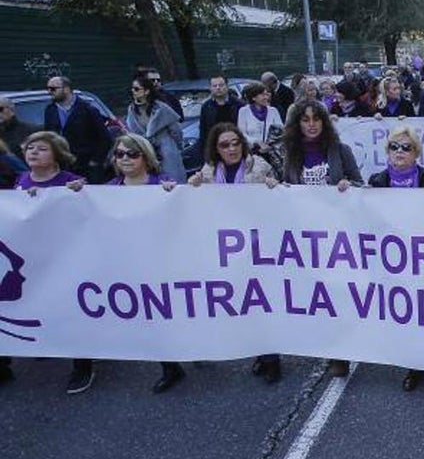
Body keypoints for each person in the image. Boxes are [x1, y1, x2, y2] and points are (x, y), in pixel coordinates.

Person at [188, 123, 280, 382]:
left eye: (235, 142)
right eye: (224, 145)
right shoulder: (207, 173)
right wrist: (190, 186)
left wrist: (275, 187)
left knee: (263, 304)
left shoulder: (259, 167)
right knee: (243, 304)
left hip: (257, 247)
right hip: (226, 249)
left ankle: (272, 359)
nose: (231, 149)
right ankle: (258, 354)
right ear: (215, 149)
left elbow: (281, 200)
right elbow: (195, 206)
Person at [280, 100, 362, 377]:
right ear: (298, 124)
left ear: (324, 122)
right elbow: (286, 188)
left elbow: (360, 184)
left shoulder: (340, 150)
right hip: (306, 236)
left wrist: (349, 186)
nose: (311, 124)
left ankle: (341, 353)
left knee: (339, 292)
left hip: (339, 235)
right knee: (319, 295)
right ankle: (329, 346)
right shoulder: (291, 153)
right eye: (305, 119)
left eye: (316, 119)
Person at [103, 133, 187, 392]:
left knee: (178, 312)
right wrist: (75, 193)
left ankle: (193, 347)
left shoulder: (162, 184)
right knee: (153, 317)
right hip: (131, 265)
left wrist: (175, 195)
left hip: (165, 262)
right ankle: (170, 367)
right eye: (120, 154)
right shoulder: (106, 191)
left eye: (132, 153)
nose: (125, 159)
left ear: (146, 157)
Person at [16, 131, 90, 393]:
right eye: (30, 148)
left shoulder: (71, 182)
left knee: (73, 311)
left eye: (42, 148)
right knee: (42, 304)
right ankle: (47, 344)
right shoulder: (21, 180)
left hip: (68, 258)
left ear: (57, 155)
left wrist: (79, 193)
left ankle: (83, 365)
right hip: (35, 259)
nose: (34, 152)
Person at [367, 126, 424, 391]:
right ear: (387, 151)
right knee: (400, 311)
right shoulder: (376, 182)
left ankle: (419, 363)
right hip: (391, 259)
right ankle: (409, 361)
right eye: (394, 147)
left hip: (422, 258)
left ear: (416, 153)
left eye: (406, 147)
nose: (399, 152)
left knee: (421, 311)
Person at [43, 75, 113, 183]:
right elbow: (48, 136)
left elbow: (105, 138)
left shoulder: (88, 109)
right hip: (62, 165)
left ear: (66, 89)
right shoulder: (50, 110)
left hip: (86, 167)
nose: (49, 92)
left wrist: (95, 161)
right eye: (48, 88)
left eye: (53, 89)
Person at [125, 76, 187, 184]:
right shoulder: (132, 109)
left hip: (166, 149)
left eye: (136, 89)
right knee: (150, 183)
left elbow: (176, 131)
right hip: (145, 151)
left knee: (173, 180)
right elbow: (132, 132)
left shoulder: (161, 108)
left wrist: (178, 147)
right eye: (132, 88)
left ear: (146, 91)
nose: (133, 91)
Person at [237, 82, 285, 152]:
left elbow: (280, 131)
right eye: (262, 95)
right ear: (253, 97)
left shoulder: (273, 110)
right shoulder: (243, 111)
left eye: (266, 94)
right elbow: (242, 134)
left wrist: (270, 145)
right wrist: (257, 142)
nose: (266, 97)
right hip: (252, 152)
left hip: (272, 151)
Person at [199, 75, 242, 143]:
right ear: (210, 88)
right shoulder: (206, 107)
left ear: (227, 86)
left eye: (221, 85)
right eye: (214, 86)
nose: (218, 88)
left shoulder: (239, 105)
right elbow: (203, 131)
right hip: (214, 145)